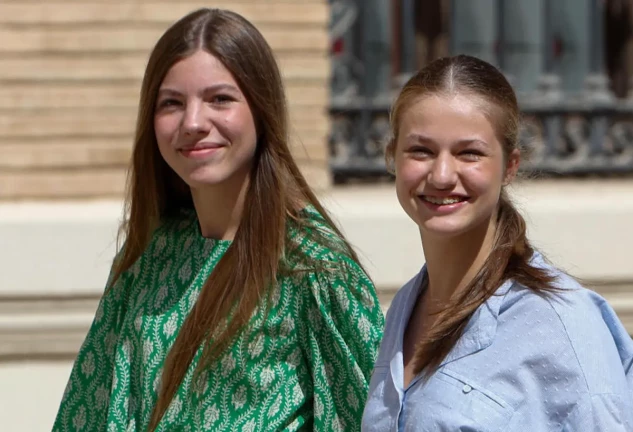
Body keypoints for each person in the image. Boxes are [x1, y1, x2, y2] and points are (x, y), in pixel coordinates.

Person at [52, 8, 384, 432]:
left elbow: (371, 418)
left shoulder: (313, 270)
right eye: (171, 103)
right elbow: (89, 410)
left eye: (220, 99)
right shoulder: (148, 257)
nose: (192, 123)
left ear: (261, 110)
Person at [362, 55, 633, 431]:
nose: (441, 175)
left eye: (468, 153)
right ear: (393, 156)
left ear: (510, 166)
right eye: (421, 151)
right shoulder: (403, 311)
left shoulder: (561, 325)